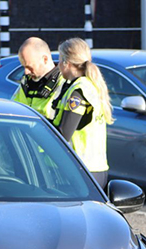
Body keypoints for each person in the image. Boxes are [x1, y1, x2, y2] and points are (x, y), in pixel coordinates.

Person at [53, 38, 114, 189]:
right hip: (95, 167)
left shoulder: (79, 91)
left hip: (81, 168)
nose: (58, 65)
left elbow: (64, 132)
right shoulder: (91, 85)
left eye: (60, 60)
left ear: (67, 63)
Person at [12, 37, 66, 122]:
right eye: (24, 67)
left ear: (45, 59)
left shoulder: (63, 83)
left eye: (29, 67)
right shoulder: (26, 84)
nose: (26, 72)